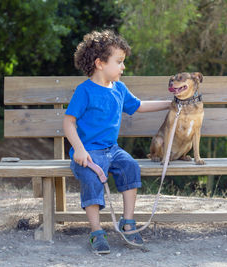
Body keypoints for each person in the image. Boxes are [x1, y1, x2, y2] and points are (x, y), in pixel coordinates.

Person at [63, 29, 171, 254]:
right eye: (119, 62)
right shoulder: (84, 91)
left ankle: (128, 222)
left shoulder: (119, 88)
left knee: (130, 166)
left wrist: (171, 104)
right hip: (89, 153)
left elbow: (138, 106)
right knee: (92, 179)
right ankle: (96, 232)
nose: (123, 67)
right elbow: (68, 123)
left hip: (112, 150)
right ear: (100, 63)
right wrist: (79, 150)